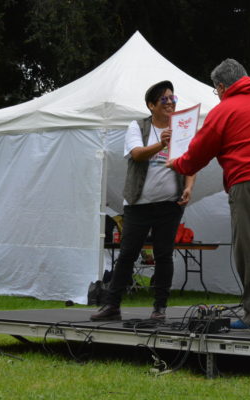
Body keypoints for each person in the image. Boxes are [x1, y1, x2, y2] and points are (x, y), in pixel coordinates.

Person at [167, 59, 250, 332]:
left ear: (221, 86)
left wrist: (178, 164)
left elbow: (198, 154)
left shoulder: (224, 109)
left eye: (215, 90)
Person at [91, 81, 196, 321]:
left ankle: (160, 308)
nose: (170, 103)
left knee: (163, 255)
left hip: (170, 204)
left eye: (173, 98)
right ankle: (112, 305)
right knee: (127, 254)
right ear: (151, 105)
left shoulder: (181, 128)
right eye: (164, 100)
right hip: (139, 204)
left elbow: (191, 161)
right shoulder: (137, 126)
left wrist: (189, 187)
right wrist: (161, 143)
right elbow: (137, 154)